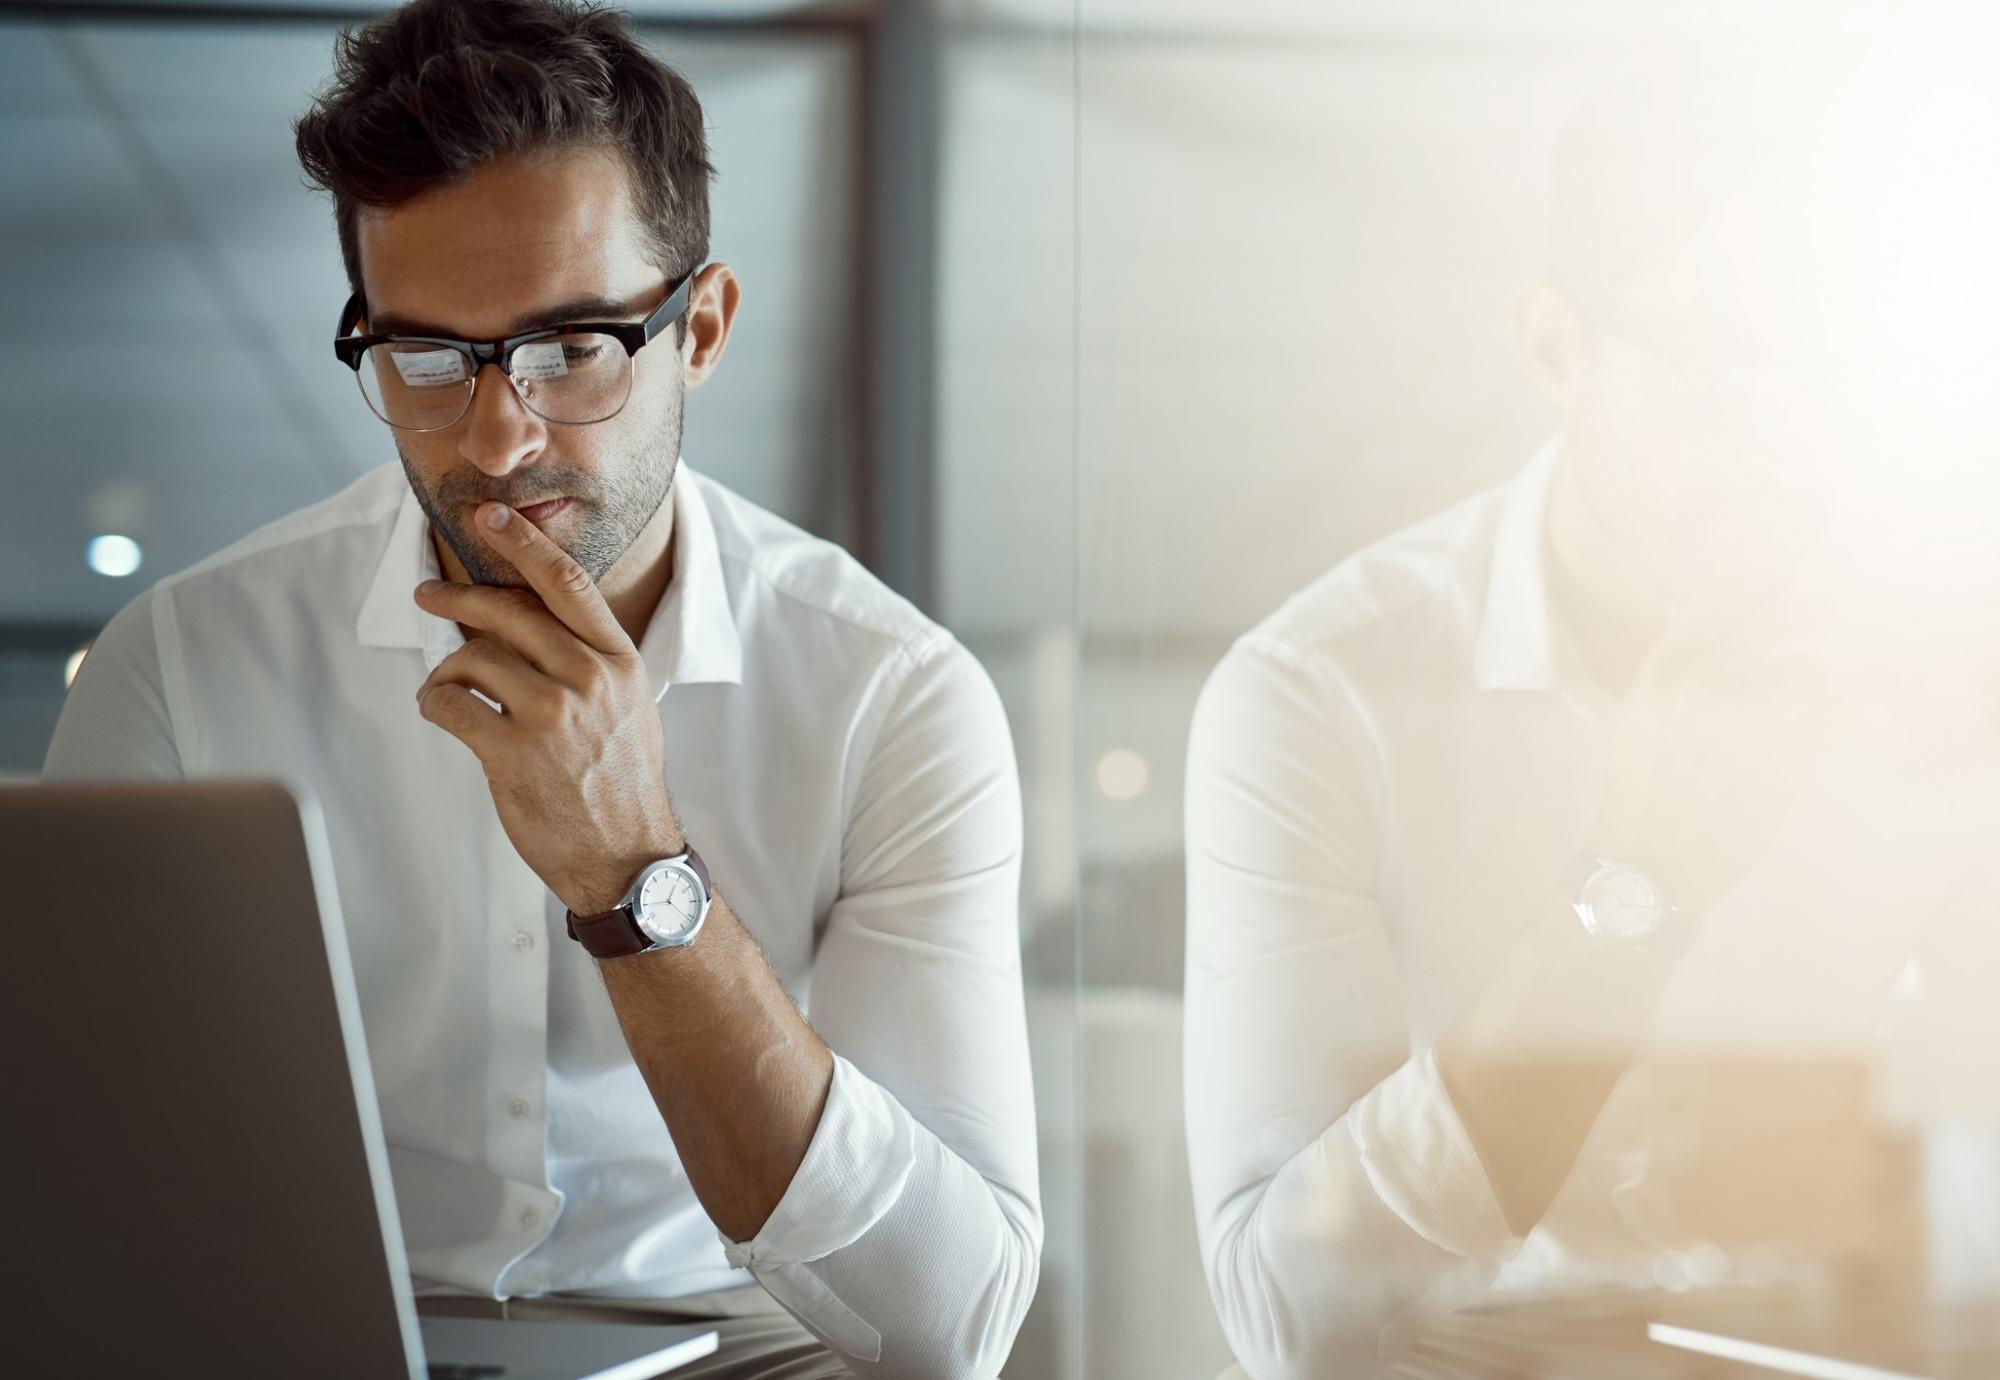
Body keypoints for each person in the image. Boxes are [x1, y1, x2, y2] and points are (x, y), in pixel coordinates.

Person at [41, 2, 1038, 1375]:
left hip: (743, 1338)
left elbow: (953, 1320)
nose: (499, 437)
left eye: (572, 349)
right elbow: (67, 1185)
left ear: (701, 332)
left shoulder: (893, 696)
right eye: (429, 359)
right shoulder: (188, 664)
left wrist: (637, 877)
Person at [1181, 58, 1990, 1379]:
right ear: (1556, 344)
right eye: (1728, 365)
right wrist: (1634, 894)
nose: (1792, 445)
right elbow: (1284, 1312)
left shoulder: (1956, 679)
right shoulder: (1321, 699)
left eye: (1833, 376)